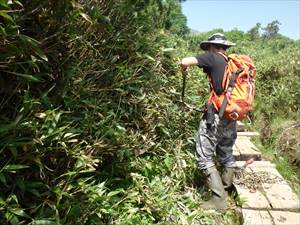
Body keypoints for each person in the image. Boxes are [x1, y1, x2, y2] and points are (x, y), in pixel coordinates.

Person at [180, 33, 237, 210]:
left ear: (212, 47)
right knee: (226, 152)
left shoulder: (213, 57)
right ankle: (226, 190)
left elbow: (184, 60)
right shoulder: (230, 62)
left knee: (203, 156)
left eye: (208, 48)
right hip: (231, 114)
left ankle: (218, 201)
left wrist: (184, 68)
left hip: (216, 116)